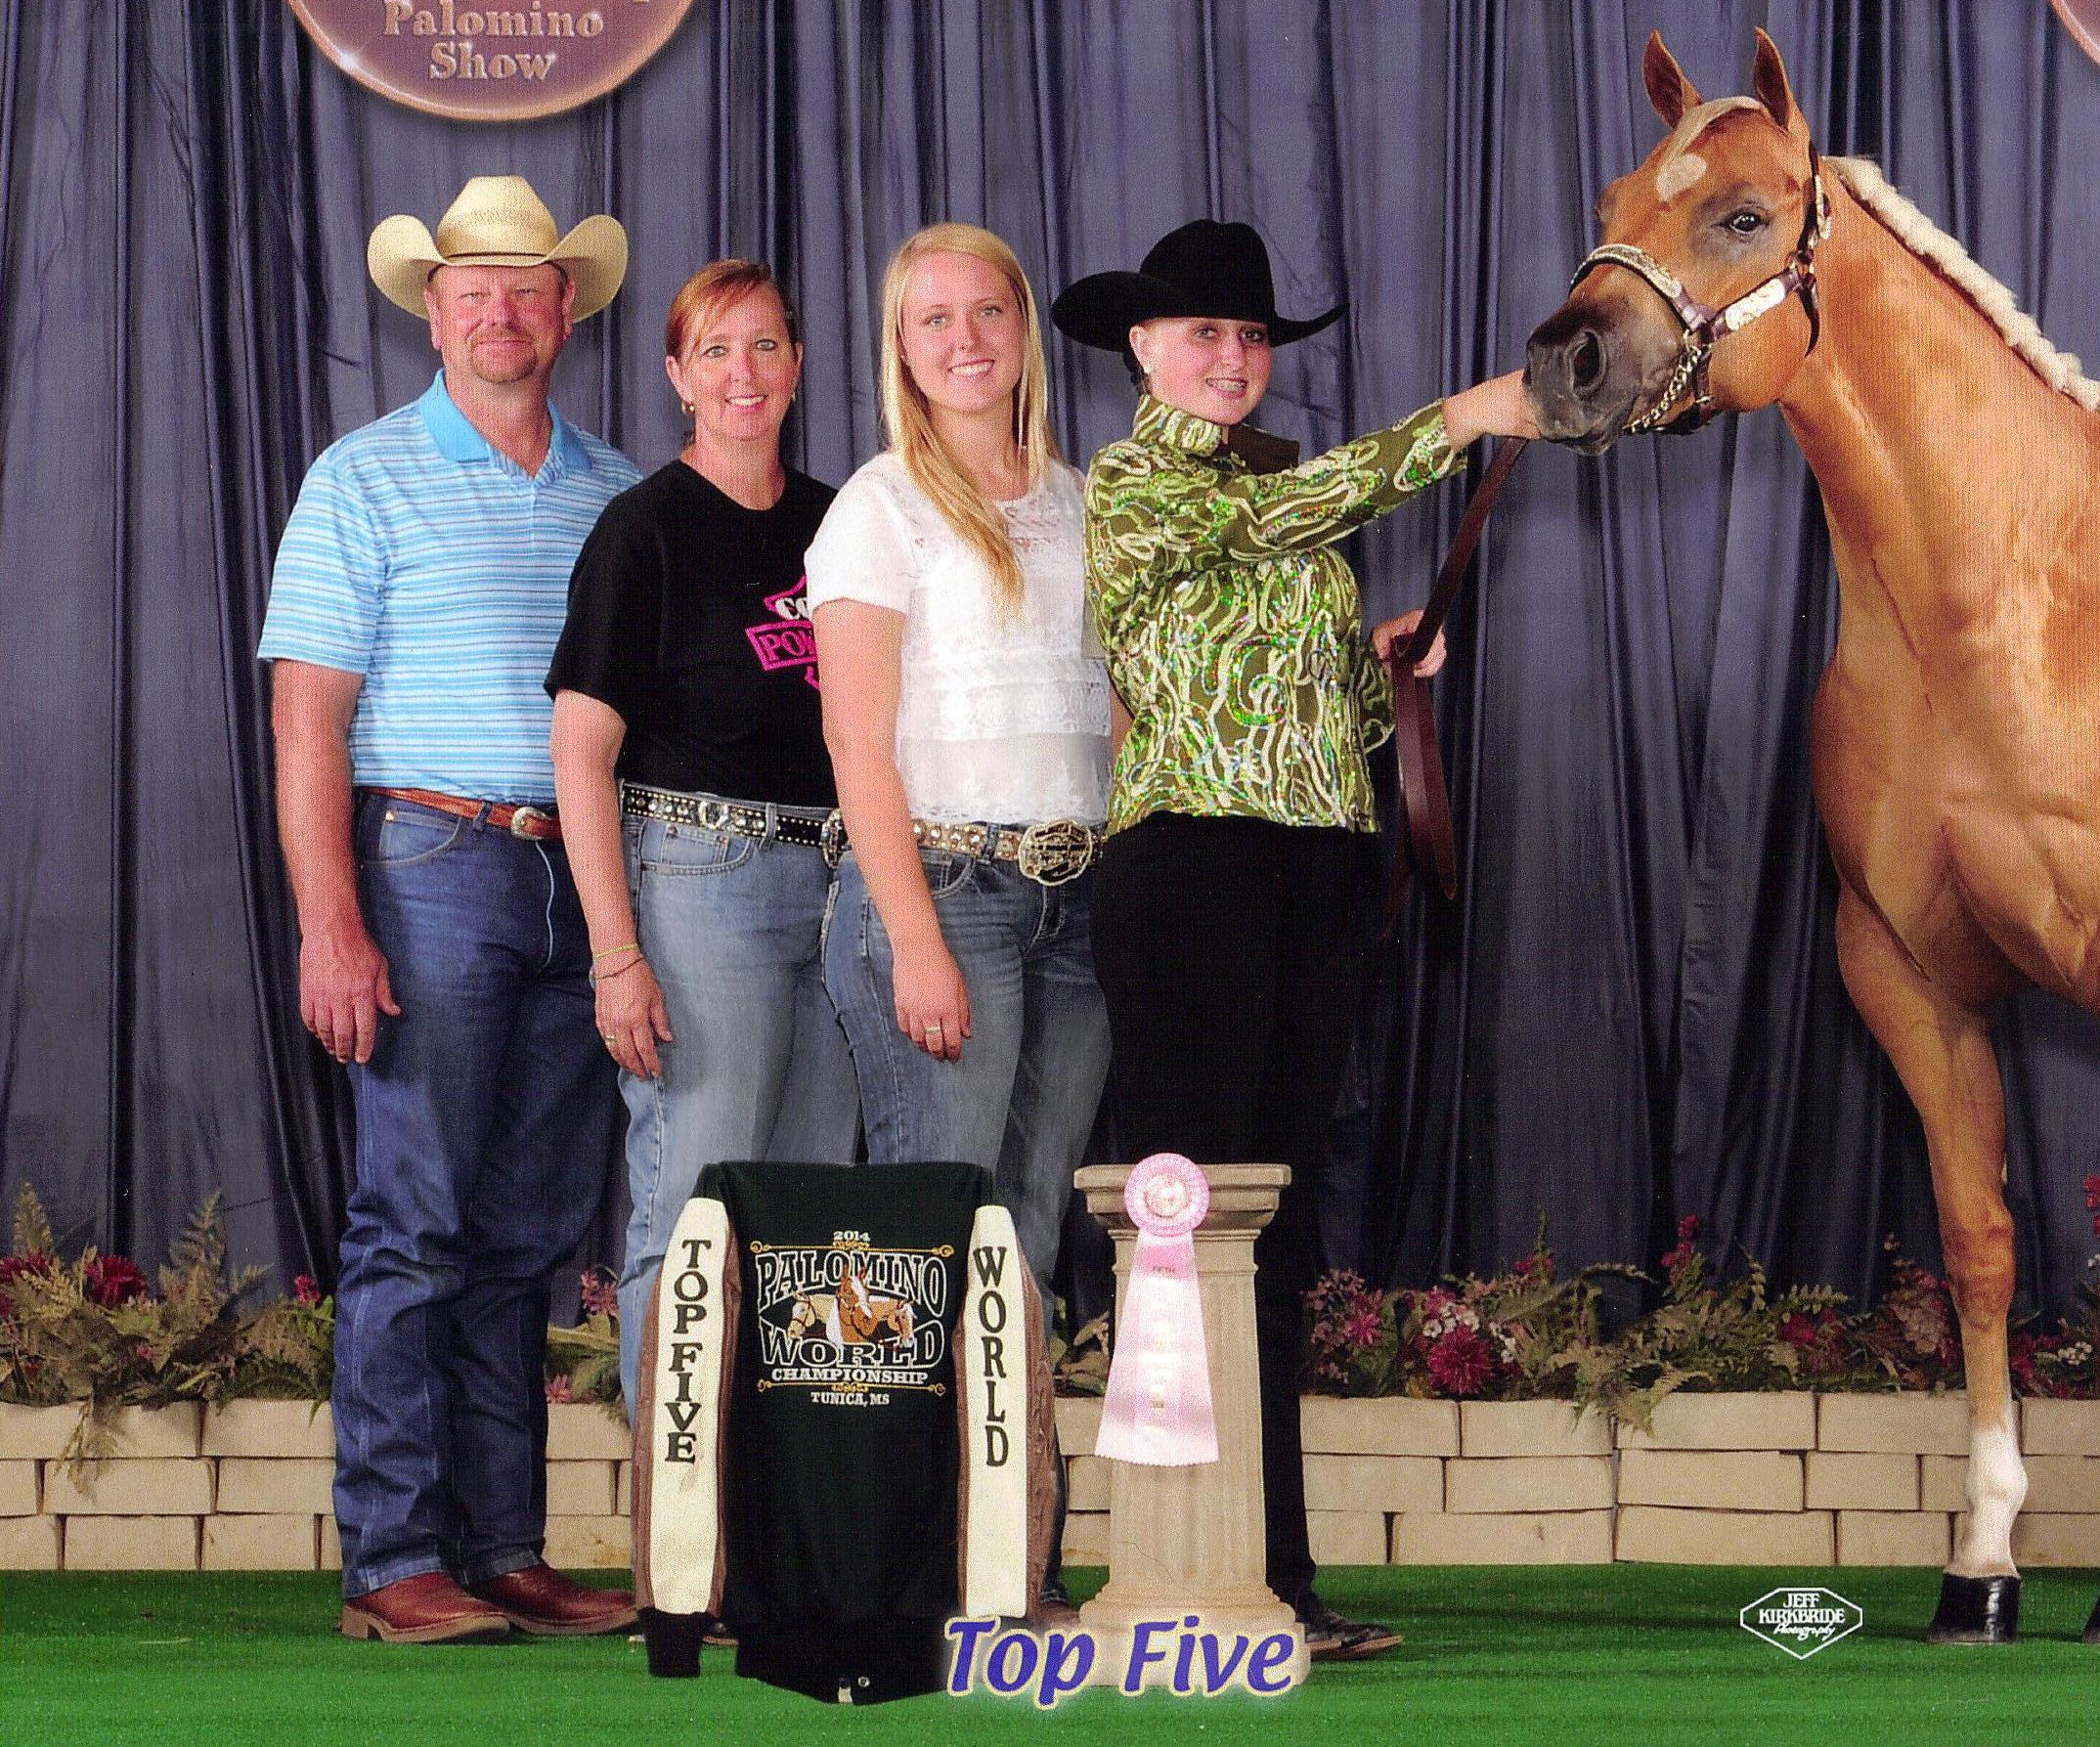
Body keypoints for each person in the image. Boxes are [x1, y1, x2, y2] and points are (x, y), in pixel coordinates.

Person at [1050, 217, 1537, 1661]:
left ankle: (1274, 1574)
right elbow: (1276, 528)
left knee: (1268, 1228)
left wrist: (1375, 669)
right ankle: (1173, 1560)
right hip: (1191, 872)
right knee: (1190, 1217)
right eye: (1203, 333)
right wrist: (1459, 418)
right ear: (1140, 350)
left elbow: (1284, 700)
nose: (1232, 358)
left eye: (1250, 338)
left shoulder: (1287, 499)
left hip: (1310, 871)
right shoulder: (1139, 482)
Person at [258, 175, 642, 1645]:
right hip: (429, 859)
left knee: (524, 1234)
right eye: (471, 287)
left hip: (580, 878)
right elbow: (309, 724)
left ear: (565, 313)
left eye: (527, 287)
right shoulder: (359, 479)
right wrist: (329, 922)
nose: (499, 309)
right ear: (433, 310)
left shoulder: (618, 490)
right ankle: (394, 1558)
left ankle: (502, 1548)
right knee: (413, 1221)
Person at [805, 223, 1114, 1610]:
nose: (964, 338)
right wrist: (915, 934)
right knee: (947, 1243)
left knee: (1029, 1236)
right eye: (932, 319)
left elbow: (1120, 706)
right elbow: (856, 747)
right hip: (946, 895)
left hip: (1077, 900)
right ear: (901, 348)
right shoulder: (878, 508)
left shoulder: (1077, 498)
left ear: (1023, 328)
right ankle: (916, 1565)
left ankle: (1009, 1566)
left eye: (986, 310)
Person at [546, 258, 859, 1419]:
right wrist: (615, 952)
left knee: (817, 1206)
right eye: (716, 351)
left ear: (798, 366)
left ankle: (792, 1525)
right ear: (678, 374)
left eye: (766, 346)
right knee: (696, 1200)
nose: (744, 373)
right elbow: (580, 752)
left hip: (840, 885)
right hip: (697, 876)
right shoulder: (644, 530)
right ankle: (679, 1541)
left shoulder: (844, 524)